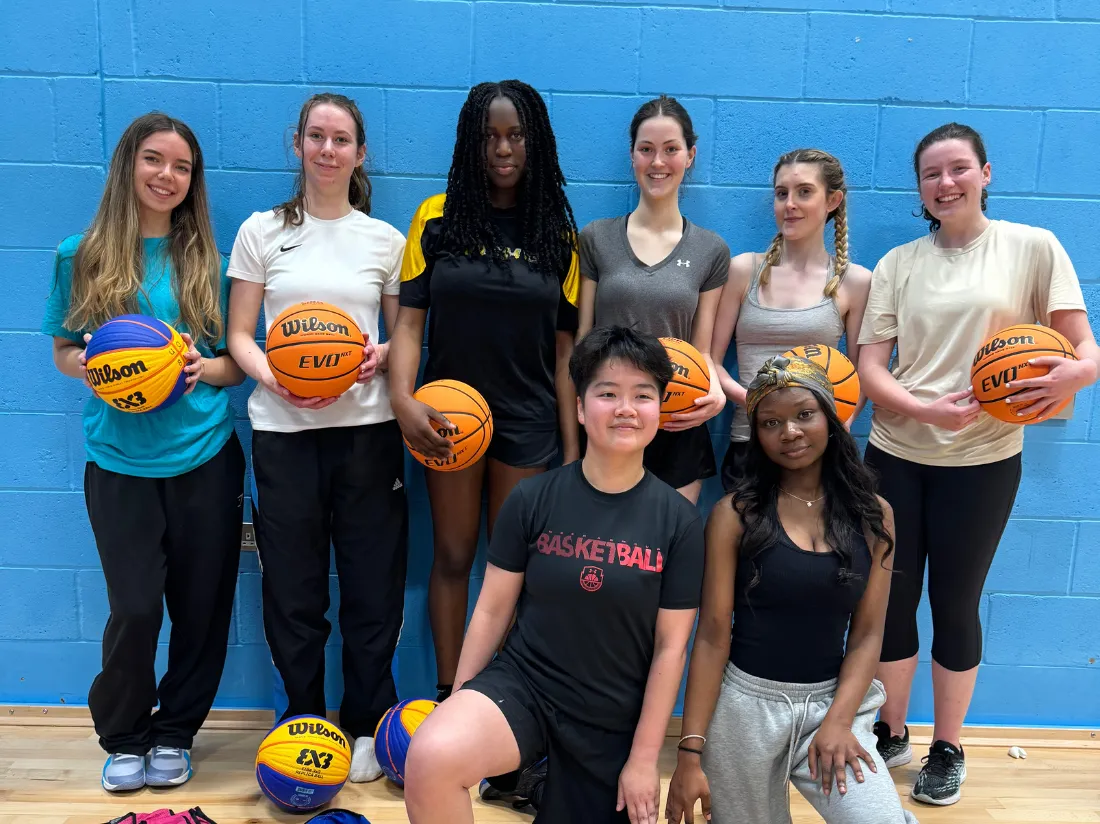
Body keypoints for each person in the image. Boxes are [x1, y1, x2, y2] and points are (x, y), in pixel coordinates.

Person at [859, 122, 1100, 805]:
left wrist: (1069, 378)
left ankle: (948, 746)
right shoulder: (900, 264)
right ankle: (891, 730)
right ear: (921, 189)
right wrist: (925, 409)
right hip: (896, 454)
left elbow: (1087, 350)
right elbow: (871, 369)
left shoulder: (1032, 247)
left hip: (986, 459)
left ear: (986, 173)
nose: (946, 183)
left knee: (956, 603)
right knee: (892, 601)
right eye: (932, 174)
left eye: (959, 168)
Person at [403, 326, 705, 824]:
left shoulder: (679, 522)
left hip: (610, 715)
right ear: (582, 409)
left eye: (642, 395)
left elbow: (672, 648)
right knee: (433, 754)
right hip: (527, 685)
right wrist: (459, 701)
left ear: (659, 409)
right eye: (607, 394)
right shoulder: (533, 499)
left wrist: (644, 760)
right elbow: (493, 609)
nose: (625, 408)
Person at [41, 112, 245, 792]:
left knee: (201, 605)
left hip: (204, 458)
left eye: (181, 167)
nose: (167, 175)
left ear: (193, 182)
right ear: (129, 165)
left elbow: (232, 367)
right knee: (134, 606)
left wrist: (197, 367)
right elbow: (64, 351)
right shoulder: (82, 255)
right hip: (120, 465)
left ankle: (174, 732)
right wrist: (98, 367)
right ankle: (124, 733)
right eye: (154, 160)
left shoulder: (209, 265)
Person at [226, 93, 407, 783]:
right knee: (294, 593)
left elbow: (403, 340)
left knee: (371, 588)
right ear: (296, 144)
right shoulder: (261, 231)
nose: (327, 150)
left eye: (341, 140)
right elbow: (240, 333)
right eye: (316, 137)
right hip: (284, 435)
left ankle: (365, 721)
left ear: (360, 154)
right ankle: (304, 719)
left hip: (367, 434)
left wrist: (379, 357)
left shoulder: (384, 241)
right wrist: (276, 377)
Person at [389, 80, 581, 703]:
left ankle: (501, 706)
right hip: (447, 413)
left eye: (515, 135)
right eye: (489, 136)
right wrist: (402, 400)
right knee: (450, 555)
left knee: (513, 573)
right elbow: (410, 324)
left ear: (537, 142)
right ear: (470, 144)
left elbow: (565, 354)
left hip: (528, 416)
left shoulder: (558, 232)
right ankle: (447, 697)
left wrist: (574, 454)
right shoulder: (435, 217)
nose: (502, 148)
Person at [664, 355, 916, 824]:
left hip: (833, 704)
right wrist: (689, 751)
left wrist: (840, 721)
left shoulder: (874, 515)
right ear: (756, 435)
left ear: (830, 416)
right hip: (745, 708)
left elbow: (866, 635)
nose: (790, 432)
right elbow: (713, 636)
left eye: (804, 414)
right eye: (771, 422)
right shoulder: (734, 515)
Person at [577, 95, 730, 504]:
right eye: (646, 150)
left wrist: (714, 391)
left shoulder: (711, 249)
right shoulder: (596, 237)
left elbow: (702, 349)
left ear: (690, 156)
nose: (658, 162)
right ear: (632, 156)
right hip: (611, 417)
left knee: (666, 558)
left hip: (677, 420)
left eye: (670, 150)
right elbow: (581, 339)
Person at [710, 148, 871, 491]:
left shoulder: (854, 281)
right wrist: (757, 401)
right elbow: (713, 361)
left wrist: (840, 421)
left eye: (804, 192)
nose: (790, 204)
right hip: (749, 442)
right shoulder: (744, 270)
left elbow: (862, 377)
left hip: (817, 448)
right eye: (782, 194)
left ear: (833, 200)